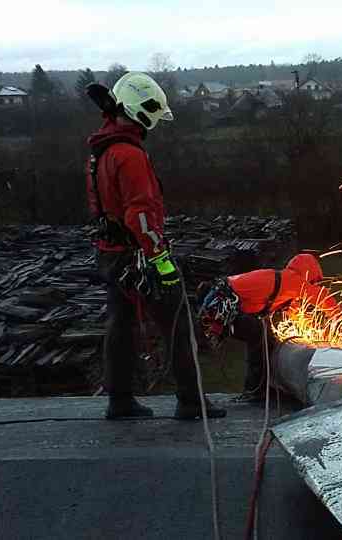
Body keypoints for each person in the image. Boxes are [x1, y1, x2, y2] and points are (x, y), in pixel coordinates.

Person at [86, 72, 226, 420]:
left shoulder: (101, 150)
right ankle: (192, 402)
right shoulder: (129, 155)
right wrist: (161, 262)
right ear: (141, 111)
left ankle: (119, 399)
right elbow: (141, 216)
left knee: (120, 325)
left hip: (111, 253)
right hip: (138, 257)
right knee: (179, 324)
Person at [199, 254, 341, 403]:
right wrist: (339, 318)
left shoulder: (284, 283)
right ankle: (255, 391)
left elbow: (296, 314)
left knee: (265, 336)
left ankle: (266, 387)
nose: (313, 284)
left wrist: (310, 331)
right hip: (221, 305)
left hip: (218, 299)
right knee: (260, 337)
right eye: (312, 281)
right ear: (307, 272)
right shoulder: (295, 281)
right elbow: (322, 298)